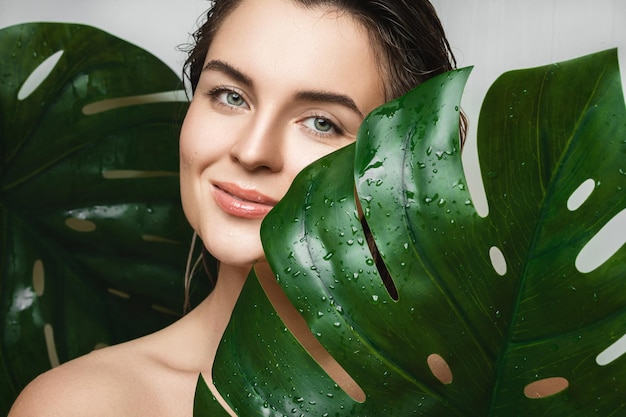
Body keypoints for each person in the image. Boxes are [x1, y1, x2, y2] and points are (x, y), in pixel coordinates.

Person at [9, 0, 460, 415]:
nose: (251, 151)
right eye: (231, 96)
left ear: (407, 158)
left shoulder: (489, 384)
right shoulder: (84, 407)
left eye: (321, 123)